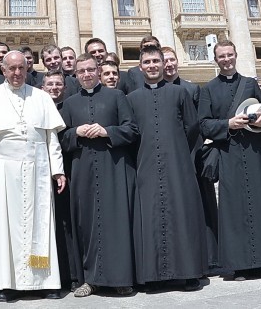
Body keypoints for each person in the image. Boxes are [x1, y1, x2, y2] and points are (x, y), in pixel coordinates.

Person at [0, 51, 66, 302]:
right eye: (11, 68)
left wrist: (58, 170)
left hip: (39, 169)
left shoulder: (42, 97)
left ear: (27, 68)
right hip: (2, 170)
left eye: (21, 68)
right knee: (4, 228)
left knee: (40, 224)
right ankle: (5, 282)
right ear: (2, 70)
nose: (16, 73)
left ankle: (43, 281)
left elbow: (51, 139)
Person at [198, 40, 261, 281]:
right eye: (221, 56)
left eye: (230, 55)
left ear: (236, 56)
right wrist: (227, 123)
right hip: (229, 154)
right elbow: (203, 125)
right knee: (234, 209)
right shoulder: (208, 89)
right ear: (215, 60)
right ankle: (238, 265)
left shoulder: (249, 84)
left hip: (256, 153)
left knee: (259, 205)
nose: (226, 60)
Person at [59, 54, 139, 297]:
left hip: (113, 168)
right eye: (81, 71)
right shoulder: (70, 103)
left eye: (91, 70)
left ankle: (120, 279)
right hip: (82, 171)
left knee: (116, 223)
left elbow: (132, 130)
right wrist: (76, 131)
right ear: (76, 74)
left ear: (98, 71)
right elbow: (60, 139)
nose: (86, 75)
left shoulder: (116, 96)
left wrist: (107, 131)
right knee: (86, 225)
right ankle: (89, 280)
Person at [127, 46, 206, 291]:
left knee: (182, 215)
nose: (151, 66)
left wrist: (183, 157)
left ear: (163, 64)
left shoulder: (180, 93)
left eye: (155, 61)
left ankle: (189, 272)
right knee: (150, 218)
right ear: (140, 67)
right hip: (146, 165)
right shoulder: (132, 99)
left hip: (178, 164)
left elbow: (192, 129)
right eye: (147, 62)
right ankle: (153, 276)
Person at [162, 46, 218, 270]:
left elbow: (198, 125)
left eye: (171, 60)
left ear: (177, 61)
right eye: (164, 61)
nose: (168, 65)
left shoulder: (191, 89)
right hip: (167, 159)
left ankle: (211, 258)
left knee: (203, 206)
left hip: (192, 156)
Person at [40, 70, 78, 292]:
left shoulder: (70, 108)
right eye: (50, 84)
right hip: (40, 175)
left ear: (64, 87)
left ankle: (70, 275)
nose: (54, 88)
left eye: (58, 84)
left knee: (66, 224)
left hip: (66, 174)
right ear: (42, 87)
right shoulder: (37, 109)